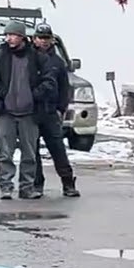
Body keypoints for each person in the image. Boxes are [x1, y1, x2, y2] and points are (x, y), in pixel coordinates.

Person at [0, 21, 58, 200]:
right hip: (7, 112)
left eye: (12, 35)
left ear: (21, 37)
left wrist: (35, 95)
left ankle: (26, 187)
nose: (8, 38)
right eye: (7, 35)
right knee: (6, 153)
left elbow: (50, 80)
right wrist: (1, 94)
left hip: (29, 112)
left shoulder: (35, 56)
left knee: (29, 153)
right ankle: (6, 187)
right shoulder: (1, 55)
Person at [30, 23, 79, 197]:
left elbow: (65, 88)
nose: (43, 41)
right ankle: (36, 184)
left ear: (51, 40)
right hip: (31, 111)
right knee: (32, 150)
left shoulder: (58, 62)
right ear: (34, 39)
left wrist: (61, 109)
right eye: (40, 38)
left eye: (46, 38)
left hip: (50, 112)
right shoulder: (28, 59)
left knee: (57, 148)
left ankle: (68, 183)